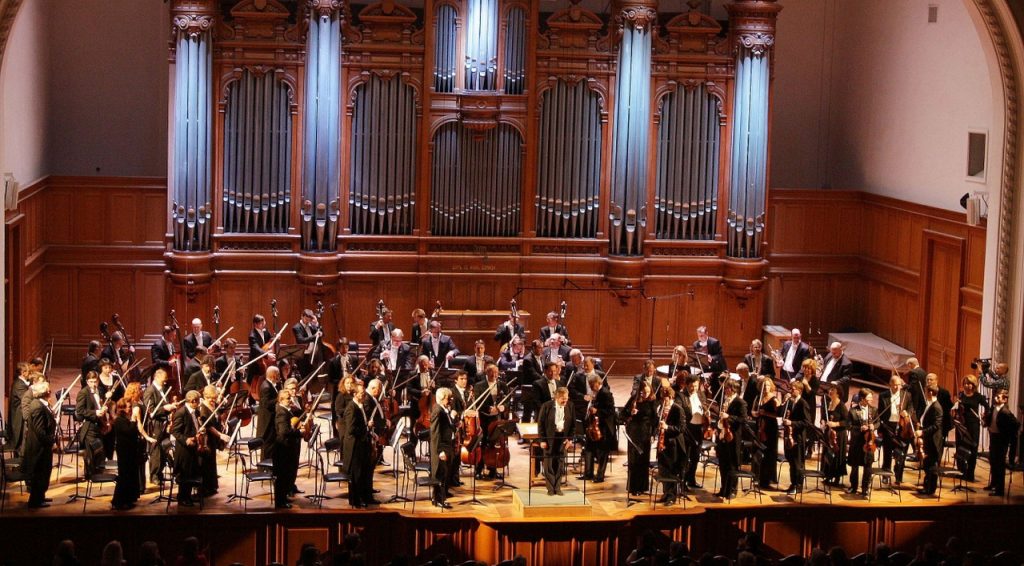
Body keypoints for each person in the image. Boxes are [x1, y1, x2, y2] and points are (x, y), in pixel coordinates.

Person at [472, 364, 509, 479]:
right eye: (491, 372)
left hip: (497, 419)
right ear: (486, 373)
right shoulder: (479, 386)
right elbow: (477, 402)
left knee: (494, 444)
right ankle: (479, 469)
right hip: (484, 419)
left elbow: (508, 400)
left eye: (496, 372)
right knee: (483, 444)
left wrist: (502, 407)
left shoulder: (502, 385)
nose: (494, 375)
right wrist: (488, 409)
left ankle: (492, 468)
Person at [343, 383, 376, 508]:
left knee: (363, 472)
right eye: (362, 394)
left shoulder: (360, 405)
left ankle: (365, 497)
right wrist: (366, 426)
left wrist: (369, 430)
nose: (364, 396)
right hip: (355, 446)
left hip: (362, 443)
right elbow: (351, 429)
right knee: (356, 474)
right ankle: (356, 500)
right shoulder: (351, 408)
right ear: (355, 394)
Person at [538, 386, 576, 496]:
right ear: (556, 397)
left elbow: (573, 425)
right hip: (549, 439)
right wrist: (542, 440)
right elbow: (540, 425)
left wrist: (570, 439)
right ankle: (550, 488)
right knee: (548, 464)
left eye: (566, 398)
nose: (565, 401)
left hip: (563, 439)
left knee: (560, 464)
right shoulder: (546, 406)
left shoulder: (570, 406)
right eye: (563, 399)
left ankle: (557, 487)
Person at [23, 382, 56, 508]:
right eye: (49, 390)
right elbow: (40, 431)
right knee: (39, 473)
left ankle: (40, 496)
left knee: (44, 472)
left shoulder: (41, 404)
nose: (50, 392)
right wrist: (51, 441)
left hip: (43, 446)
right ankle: (35, 501)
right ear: (44, 393)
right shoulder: (37, 406)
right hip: (39, 448)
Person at [143, 368, 178, 484]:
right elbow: (150, 411)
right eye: (163, 380)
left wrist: (171, 406)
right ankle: (154, 475)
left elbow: (164, 404)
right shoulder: (150, 391)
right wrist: (165, 408)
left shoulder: (163, 389)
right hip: (155, 424)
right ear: (156, 377)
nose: (165, 382)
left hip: (164, 423)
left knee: (164, 448)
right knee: (156, 450)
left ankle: (160, 473)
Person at [620, 381, 656, 496]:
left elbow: (655, 419)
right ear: (640, 391)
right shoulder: (634, 400)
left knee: (644, 461)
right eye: (644, 392)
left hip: (646, 435)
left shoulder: (652, 401)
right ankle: (633, 487)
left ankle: (642, 487)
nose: (646, 394)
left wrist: (653, 434)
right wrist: (631, 413)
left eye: (648, 392)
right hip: (634, 434)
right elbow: (622, 415)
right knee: (634, 461)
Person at [579, 372, 615, 483]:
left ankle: (600, 476)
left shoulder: (606, 393)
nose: (590, 386)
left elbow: (611, 411)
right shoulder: (597, 393)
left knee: (603, 452)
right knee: (589, 448)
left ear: (597, 382)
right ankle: (588, 473)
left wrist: (597, 411)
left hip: (603, 428)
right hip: (594, 426)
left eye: (591, 384)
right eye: (589, 384)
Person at [878, 374, 912, 485]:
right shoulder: (883, 395)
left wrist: (907, 413)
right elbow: (880, 413)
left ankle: (898, 476)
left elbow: (911, 409)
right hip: (888, 426)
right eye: (894, 385)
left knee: (901, 453)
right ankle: (886, 474)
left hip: (901, 426)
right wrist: (880, 430)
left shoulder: (906, 395)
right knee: (887, 452)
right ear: (890, 385)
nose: (897, 387)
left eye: (898, 385)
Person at [654, 384, 686, 504]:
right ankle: (666, 493)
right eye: (662, 398)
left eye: (665, 398)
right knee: (663, 470)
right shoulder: (661, 408)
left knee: (672, 470)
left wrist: (667, 427)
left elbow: (681, 428)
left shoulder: (678, 409)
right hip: (662, 443)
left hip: (673, 445)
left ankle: (672, 496)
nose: (663, 401)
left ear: (671, 397)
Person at [953, 374, 987, 482]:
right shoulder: (961, 395)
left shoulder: (978, 396)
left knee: (972, 449)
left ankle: (970, 474)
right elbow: (957, 408)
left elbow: (987, 407)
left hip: (973, 425)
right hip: (961, 424)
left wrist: (984, 415)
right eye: (966, 383)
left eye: (970, 384)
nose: (967, 386)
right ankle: (962, 471)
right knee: (960, 447)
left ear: (974, 385)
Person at [984, 388, 1018, 496]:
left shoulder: (1005, 412)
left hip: (1001, 440)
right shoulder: (994, 408)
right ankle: (993, 484)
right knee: (993, 462)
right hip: (993, 437)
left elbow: (1016, 424)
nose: (995, 398)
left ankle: (1000, 490)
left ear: (1005, 400)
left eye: (998, 397)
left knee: (1000, 464)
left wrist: (1008, 437)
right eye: (995, 396)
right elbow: (991, 420)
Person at [716, 378, 747, 498]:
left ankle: (732, 490)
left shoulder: (740, 402)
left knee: (732, 464)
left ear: (733, 389)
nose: (725, 390)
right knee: (723, 463)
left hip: (733, 436)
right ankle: (724, 489)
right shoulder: (725, 400)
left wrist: (728, 416)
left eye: (727, 388)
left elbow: (743, 419)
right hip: (723, 435)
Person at [171, 390, 203, 506]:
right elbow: (175, 431)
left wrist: (200, 429)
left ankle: (188, 496)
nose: (199, 403)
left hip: (193, 447)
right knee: (185, 474)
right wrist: (186, 440)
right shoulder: (181, 413)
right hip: (184, 450)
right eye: (198, 401)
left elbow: (195, 425)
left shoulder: (196, 412)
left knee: (191, 472)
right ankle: (182, 498)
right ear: (192, 401)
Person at [199, 384, 231, 496]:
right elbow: (208, 426)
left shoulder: (214, 405)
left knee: (212, 462)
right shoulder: (203, 408)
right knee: (207, 463)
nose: (213, 400)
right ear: (205, 396)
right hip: (206, 439)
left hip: (213, 439)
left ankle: (212, 486)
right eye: (210, 398)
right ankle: (206, 488)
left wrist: (222, 422)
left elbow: (217, 418)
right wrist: (220, 435)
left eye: (214, 398)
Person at [76, 371, 109, 477]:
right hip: (89, 426)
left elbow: (100, 404)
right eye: (91, 382)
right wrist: (95, 413)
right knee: (91, 452)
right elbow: (80, 411)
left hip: (99, 424)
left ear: (98, 381)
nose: (93, 384)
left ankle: (97, 473)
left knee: (99, 451)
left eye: (95, 381)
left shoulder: (99, 391)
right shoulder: (83, 393)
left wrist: (104, 407)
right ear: (87, 381)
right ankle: (90, 475)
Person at [273, 388, 302, 508]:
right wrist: (299, 432)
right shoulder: (281, 412)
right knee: (282, 476)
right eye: (288, 398)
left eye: (290, 398)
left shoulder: (286, 410)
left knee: (286, 475)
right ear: (281, 400)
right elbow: (284, 432)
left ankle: (283, 497)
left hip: (287, 447)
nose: (290, 400)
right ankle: (280, 502)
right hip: (283, 448)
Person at [782, 379, 812, 495]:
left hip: (798, 437)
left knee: (797, 463)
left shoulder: (803, 403)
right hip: (790, 436)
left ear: (799, 390)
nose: (791, 391)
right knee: (791, 461)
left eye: (793, 389)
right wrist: (784, 402)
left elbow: (807, 422)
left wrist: (792, 423)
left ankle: (798, 486)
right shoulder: (791, 402)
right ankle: (793, 484)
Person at [111, 399, 142, 510]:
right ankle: (118, 502)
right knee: (124, 476)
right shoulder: (119, 420)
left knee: (129, 476)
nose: (130, 409)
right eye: (128, 407)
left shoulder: (124, 419)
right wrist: (133, 419)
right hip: (124, 452)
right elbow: (129, 432)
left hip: (129, 451)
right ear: (122, 408)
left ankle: (128, 499)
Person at [679, 374, 708, 489]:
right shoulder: (681, 396)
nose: (694, 388)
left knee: (695, 456)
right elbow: (681, 412)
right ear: (686, 385)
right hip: (687, 429)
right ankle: (682, 482)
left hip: (699, 428)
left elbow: (704, 407)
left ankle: (691, 479)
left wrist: (706, 412)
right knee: (685, 457)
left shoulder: (701, 394)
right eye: (692, 386)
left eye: (696, 386)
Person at [429, 387, 457, 508]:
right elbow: (435, 433)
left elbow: (449, 427)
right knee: (439, 473)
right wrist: (440, 451)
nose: (450, 400)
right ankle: (438, 499)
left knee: (445, 473)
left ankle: (441, 496)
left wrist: (454, 419)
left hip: (447, 445)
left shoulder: (444, 409)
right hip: (441, 447)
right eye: (448, 398)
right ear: (441, 398)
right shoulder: (438, 411)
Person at [916, 384, 945, 495]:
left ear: (931, 392)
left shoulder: (937, 407)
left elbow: (936, 426)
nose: (924, 393)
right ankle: (926, 486)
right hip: (928, 439)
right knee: (927, 464)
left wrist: (922, 432)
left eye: (926, 391)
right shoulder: (930, 404)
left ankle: (930, 489)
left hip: (933, 441)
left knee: (931, 465)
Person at [846, 390, 876, 496]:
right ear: (862, 399)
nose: (871, 400)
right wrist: (859, 428)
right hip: (856, 442)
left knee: (868, 466)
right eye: (869, 398)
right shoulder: (853, 411)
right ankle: (853, 487)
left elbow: (878, 422)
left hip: (869, 442)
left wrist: (874, 426)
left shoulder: (874, 410)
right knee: (855, 466)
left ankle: (865, 488)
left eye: (871, 398)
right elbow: (848, 426)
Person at [753, 378, 779, 489]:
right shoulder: (758, 397)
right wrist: (755, 413)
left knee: (769, 453)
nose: (766, 388)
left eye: (768, 385)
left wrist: (765, 413)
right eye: (764, 385)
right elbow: (753, 410)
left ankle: (767, 479)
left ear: (771, 386)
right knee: (759, 452)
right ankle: (758, 477)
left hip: (770, 428)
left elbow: (778, 415)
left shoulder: (774, 399)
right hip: (760, 427)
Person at [822, 385, 849, 487]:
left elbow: (847, 422)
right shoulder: (828, 403)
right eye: (830, 389)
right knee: (828, 454)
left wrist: (835, 424)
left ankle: (836, 478)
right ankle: (828, 476)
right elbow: (824, 417)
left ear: (838, 393)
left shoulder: (841, 406)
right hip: (829, 434)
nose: (830, 391)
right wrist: (823, 422)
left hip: (838, 435)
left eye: (833, 390)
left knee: (836, 455)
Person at [6, 363, 31, 456]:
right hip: (18, 416)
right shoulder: (19, 384)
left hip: (20, 413)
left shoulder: (21, 383)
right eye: (28, 372)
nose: (29, 374)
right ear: (23, 372)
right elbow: (26, 399)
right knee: (20, 439)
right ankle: (20, 458)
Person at [257, 365, 281, 459]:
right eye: (278, 374)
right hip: (267, 422)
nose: (279, 376)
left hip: (271, 420)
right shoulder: (266, 387)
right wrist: (279, 399)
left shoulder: (271, 385)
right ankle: (264, 466)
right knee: (267, 446)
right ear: (273, 375)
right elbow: (266, 404)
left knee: (271, 446)